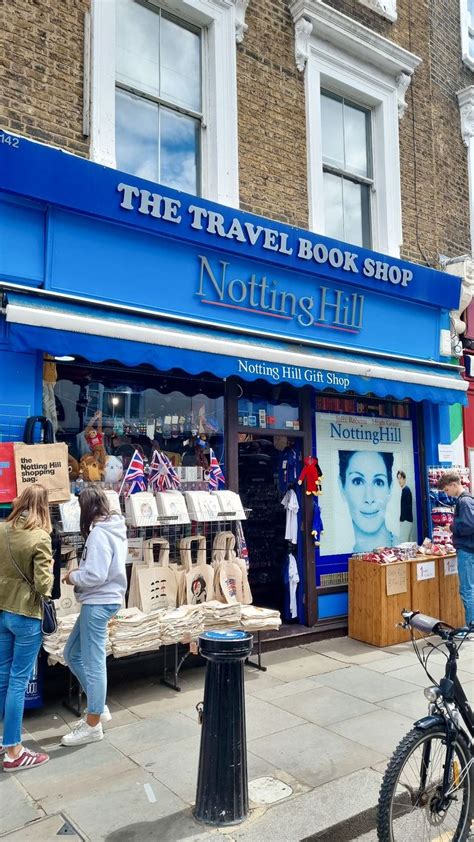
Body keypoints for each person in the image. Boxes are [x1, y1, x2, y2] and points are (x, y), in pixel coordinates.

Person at [62, 487, 127, 747]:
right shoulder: (114, 529)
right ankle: (97, 707)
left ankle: (93, 724)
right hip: (103, 600)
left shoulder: (99, 534)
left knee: (93, 661)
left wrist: (73, 576)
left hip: (98, 601)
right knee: (72, 653)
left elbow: (95, 575)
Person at [0, 485, 53, 771]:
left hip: (2, 612)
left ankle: (5, 739)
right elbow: (45, 585)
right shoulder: (40, 537)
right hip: (26, 615)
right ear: (43, 506)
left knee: (2, 678)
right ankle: (14, 752)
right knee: (18, 681)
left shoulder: (1, 530)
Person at [339, 450, 396, 553]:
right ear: (342, 487)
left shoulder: (402, 548)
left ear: (390, 488)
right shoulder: (341, 551)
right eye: (358, 481)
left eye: (378, 482)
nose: (369, 498)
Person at [437, 471, 474, 634]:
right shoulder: (466, 500)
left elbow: (469, 526)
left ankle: (471, 627)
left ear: (453, 485)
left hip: (467, 550)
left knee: (467, 589)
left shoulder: (464, 502)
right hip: (468, 548)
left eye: (446, 490)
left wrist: (451, 527)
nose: (447, 494)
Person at [397, 470, 414, 542]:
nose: (399, 480)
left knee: (403, 542)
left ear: (404, 479)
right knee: (407, 542)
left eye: (400, 478)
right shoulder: (403, 490)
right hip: (406, 520)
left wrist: (401, 520)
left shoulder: (406, 490)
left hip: (405, 521)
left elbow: (406, 507)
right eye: (398, 478)